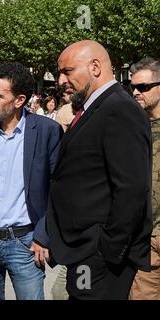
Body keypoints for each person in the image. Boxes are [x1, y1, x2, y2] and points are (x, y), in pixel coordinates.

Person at [46, 40, 152, 300]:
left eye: (67, 71)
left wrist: (107, 248)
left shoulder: (119, 108)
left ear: (95, 66)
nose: (60, 80)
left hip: (98, 256)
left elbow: (132, 188)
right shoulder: (96, 107)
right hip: (85, 250)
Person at [0, 62, 63, 300]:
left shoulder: (47, 130)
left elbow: (58, 191)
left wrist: (43, 236)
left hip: (26, 244)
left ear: (19, 100)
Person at [129, 57, 160, 300]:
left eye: (143, 88)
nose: (136, 93)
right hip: (145, 238)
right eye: (133, 88)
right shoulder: (131, 128)